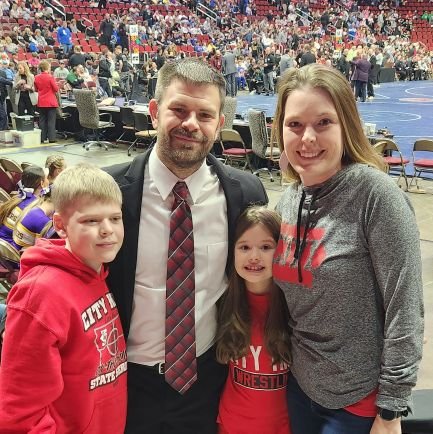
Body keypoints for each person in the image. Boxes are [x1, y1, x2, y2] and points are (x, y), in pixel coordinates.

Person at [105, 57, 268, 434]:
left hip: (206, 381)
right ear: (154, 111)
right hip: (125, 381)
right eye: (178, 109)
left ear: (219, 125)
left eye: (204, 115)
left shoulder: (244, 192)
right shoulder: (109, 192)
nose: (191, 123)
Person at [271, 64, 424, 434]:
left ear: (346, 126)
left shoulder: (376, 196)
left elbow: (405, 311)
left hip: (358, 403)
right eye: (294, 125)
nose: (307, 138)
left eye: (323, 123)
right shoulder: (288, 201)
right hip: (298, 389)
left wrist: (390, 410)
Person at [0, 164, 127, 433]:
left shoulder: (97, 271)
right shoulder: (41, 294)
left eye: (115, 218)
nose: (107, 230)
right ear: (60, 225)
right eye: (91, 221)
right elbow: (20, 412)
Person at [216, 206, 292, 434]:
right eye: (245, 247)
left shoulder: (295, 305)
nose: (254, 256)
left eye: (266, 247)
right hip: (231, 424)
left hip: (284, 426)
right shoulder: (222, 301)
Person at [0, 165, 48, 250]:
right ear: (42, 183)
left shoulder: (17, 197)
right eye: (46, 178)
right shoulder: (35, 209)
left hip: (4, 249)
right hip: (13, 255)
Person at [12, 186, 55, 251]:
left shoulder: (34, 207)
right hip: (20, 257)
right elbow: (41, 250)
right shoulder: (43, 220)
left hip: (14, 250)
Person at [34, 60, 59, 143]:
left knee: (42, 121)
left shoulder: (36, 77)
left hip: (41, 102)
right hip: (51, 102)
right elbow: (56, 89)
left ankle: (42, 138)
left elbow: (36, 89)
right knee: (51, 121)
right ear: (47, 67)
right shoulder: (50, 77)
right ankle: (51, 138)